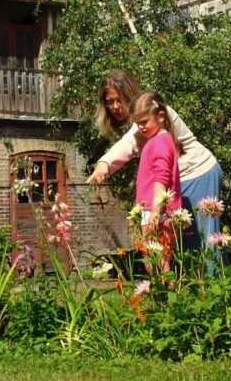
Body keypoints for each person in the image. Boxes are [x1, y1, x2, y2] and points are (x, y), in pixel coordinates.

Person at [86, 69, 223, 250]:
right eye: (110, 102)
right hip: (179, 182)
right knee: (190, 250)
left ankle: (215, 279)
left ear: (130, 94)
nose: (115, 107)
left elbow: (129, 143)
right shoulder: (143, 121)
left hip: (198, 174)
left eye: (120, 99)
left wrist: (104, 164)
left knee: (204, 248)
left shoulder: (155, 113)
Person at [130, 90, 181, 272]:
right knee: (155, 260)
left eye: (144, 122)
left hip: (158, 213)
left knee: (158, 262)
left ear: (160, 116)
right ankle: (161, 297)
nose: (141, 127)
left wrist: (155, 212)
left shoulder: (159, 142)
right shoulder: (159, 140)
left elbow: (162, 178)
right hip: (154, 212)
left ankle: (164, 298)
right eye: (138, 124)